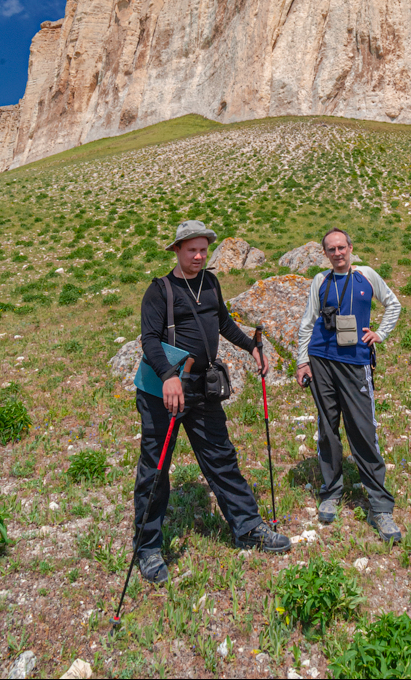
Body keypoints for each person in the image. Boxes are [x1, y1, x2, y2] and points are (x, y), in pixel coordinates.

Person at [134, 220, 291, 583]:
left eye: (204, 249)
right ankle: (148, 547)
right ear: (176, 250)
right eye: (192, 250)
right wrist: (169, 376)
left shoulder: (211, 282)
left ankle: (248, 527)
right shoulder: (160, 290)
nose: (199, 256)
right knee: (155, 469)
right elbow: (149, 340)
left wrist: (251, 346)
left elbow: (222, 321)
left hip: (202, 387)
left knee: (221, 457)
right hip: (163, 391)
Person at [296, 228, 403, 542]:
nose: (337, 253)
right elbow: (307, 321)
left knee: (363, 429)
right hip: (321, 360)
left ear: (351, 248)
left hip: (356, 362)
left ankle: (380, 506)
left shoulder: (367, 275)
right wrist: (302, 361)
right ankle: (331, 491)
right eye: (331, 249)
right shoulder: (321, 280)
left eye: (341, 247)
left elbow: (393, 304)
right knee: (327, 427)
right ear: (325, 253)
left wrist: (379, 334)